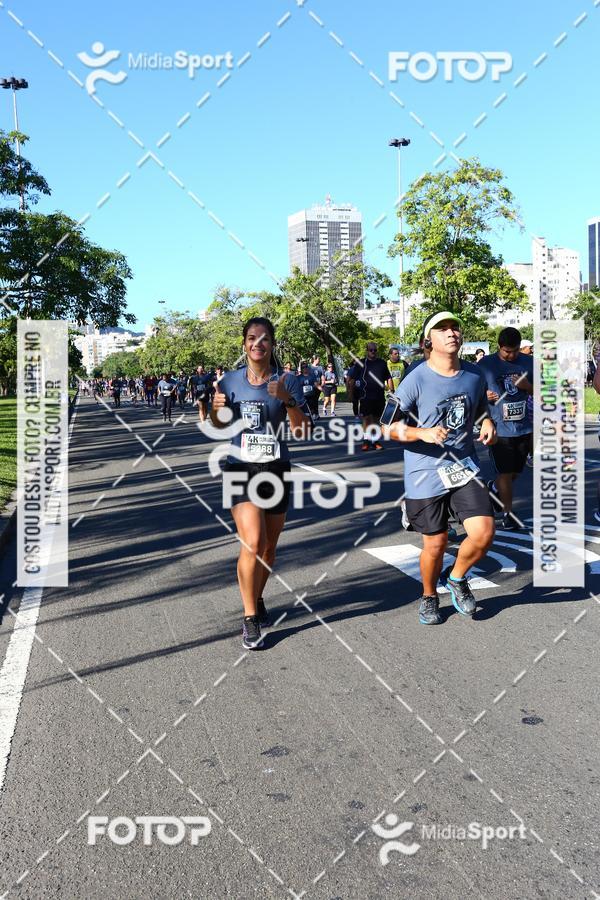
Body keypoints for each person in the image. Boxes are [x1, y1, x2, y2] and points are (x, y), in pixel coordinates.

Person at [384, 311, 497, 625]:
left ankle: (458, 577)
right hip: (425, 472)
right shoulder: (416, 378)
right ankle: (429, 595)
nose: (451, 333)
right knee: (435, 543)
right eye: (442, 329)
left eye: (455, 328)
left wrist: (486, 422)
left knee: (484, 533)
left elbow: (479, 409)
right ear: (428, 341)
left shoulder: (474, 375)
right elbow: (386, 427)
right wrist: (422, 433)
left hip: (463, 466)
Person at [210, 316, 311, 650]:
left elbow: (302, 431)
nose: (258, 344)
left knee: (269, 546)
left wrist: (288, 399)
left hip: (276, 468)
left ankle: (258, 595)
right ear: (244, 344)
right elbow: (218, 424)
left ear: (272, 344)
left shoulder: (289, 380)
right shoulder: (230, 381)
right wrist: (214, 409)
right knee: (253, 541)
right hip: (240, 467)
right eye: (251, 338)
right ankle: (250, 616)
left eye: (264, 338)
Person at [477, 327, 534, 530]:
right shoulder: (485, 365)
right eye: (506, 351)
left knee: (515, 472)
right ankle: (508, 514)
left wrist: (527, 386)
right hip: (498, 427)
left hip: (524, 427)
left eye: (515, 351)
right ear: (499, 347)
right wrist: (485, 395)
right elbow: (472, 392)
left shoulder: (529, 362)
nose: (511, 355)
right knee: (505, 473)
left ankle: (493, 489)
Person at [347, 342, 393, 451]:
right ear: (367, 351)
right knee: (367, 419)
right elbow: (352, 379)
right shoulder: (361, 363)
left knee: (377, 420)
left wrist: (392, 391)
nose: (373, 352)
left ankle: (375, 441)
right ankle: (366, 440)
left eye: (375, 350)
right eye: (371, 350)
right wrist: (350, 394)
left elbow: (388, 378)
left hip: (379, 396)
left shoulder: (382, 363)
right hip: (365, 396)